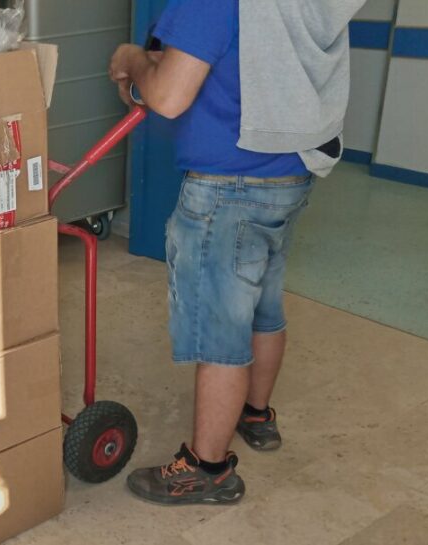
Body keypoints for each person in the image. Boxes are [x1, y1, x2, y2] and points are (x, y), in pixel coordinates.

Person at [109, 0, 363, 504]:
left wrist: (132, 59)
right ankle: (256, 414)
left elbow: (169, 96)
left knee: (220, 332)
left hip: (228, 187)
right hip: (291, 173)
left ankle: (207, 469)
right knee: (263, 306)